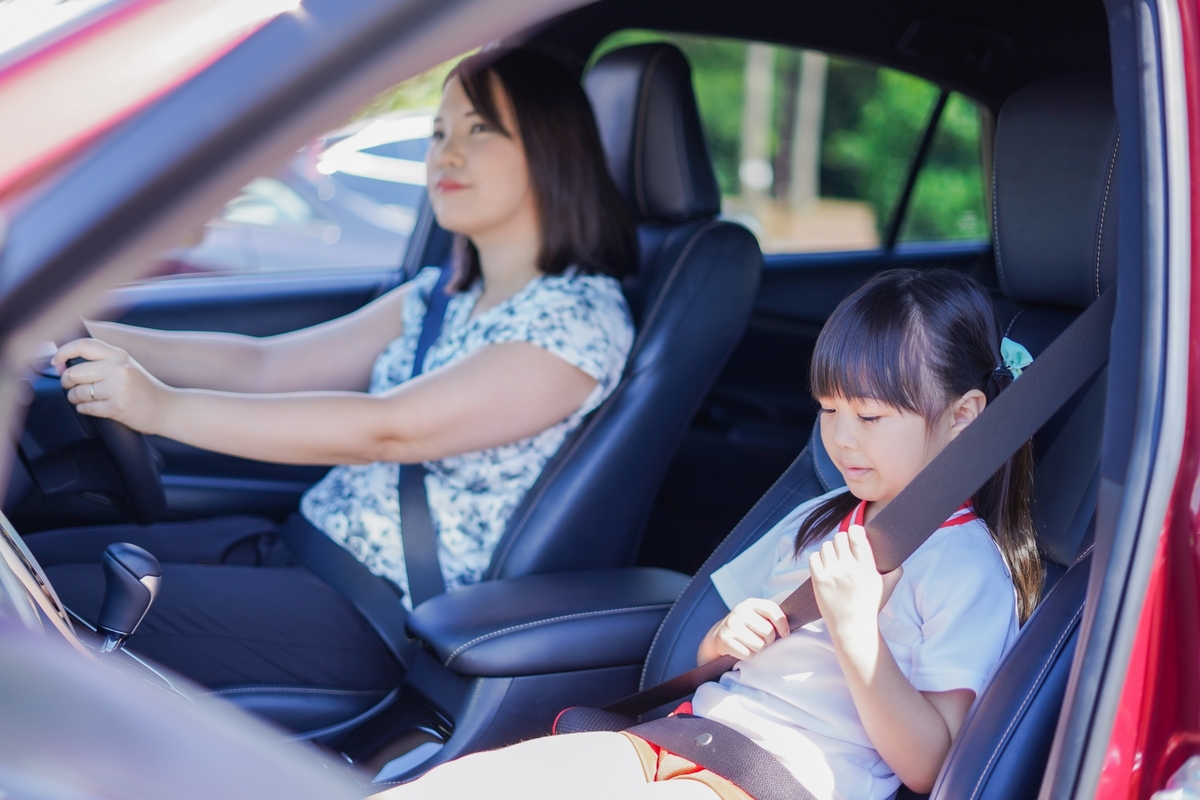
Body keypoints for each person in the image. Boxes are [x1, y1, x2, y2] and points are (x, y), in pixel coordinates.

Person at [27, 47, 637, 694]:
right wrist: (73, 334)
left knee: (39, 612)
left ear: (552, 147)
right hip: (300, 549)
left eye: (479, 129)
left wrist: (160, 409)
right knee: (29, 570)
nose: (445, 154)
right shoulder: (438, 296)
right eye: (439, 131)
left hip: (375, 616)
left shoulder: (578, 320)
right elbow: (262, 363)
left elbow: (392, 429)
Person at [374, 268, 1042, 800]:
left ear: (963, 416)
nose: (839, 437)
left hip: (782, 782)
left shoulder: (965, 567)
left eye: (869, 416)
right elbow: (712, 649)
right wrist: (725, 639)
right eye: (829, 410)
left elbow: (932, 765)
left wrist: (857, 632)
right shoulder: (822, 514)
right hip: (687, 740)